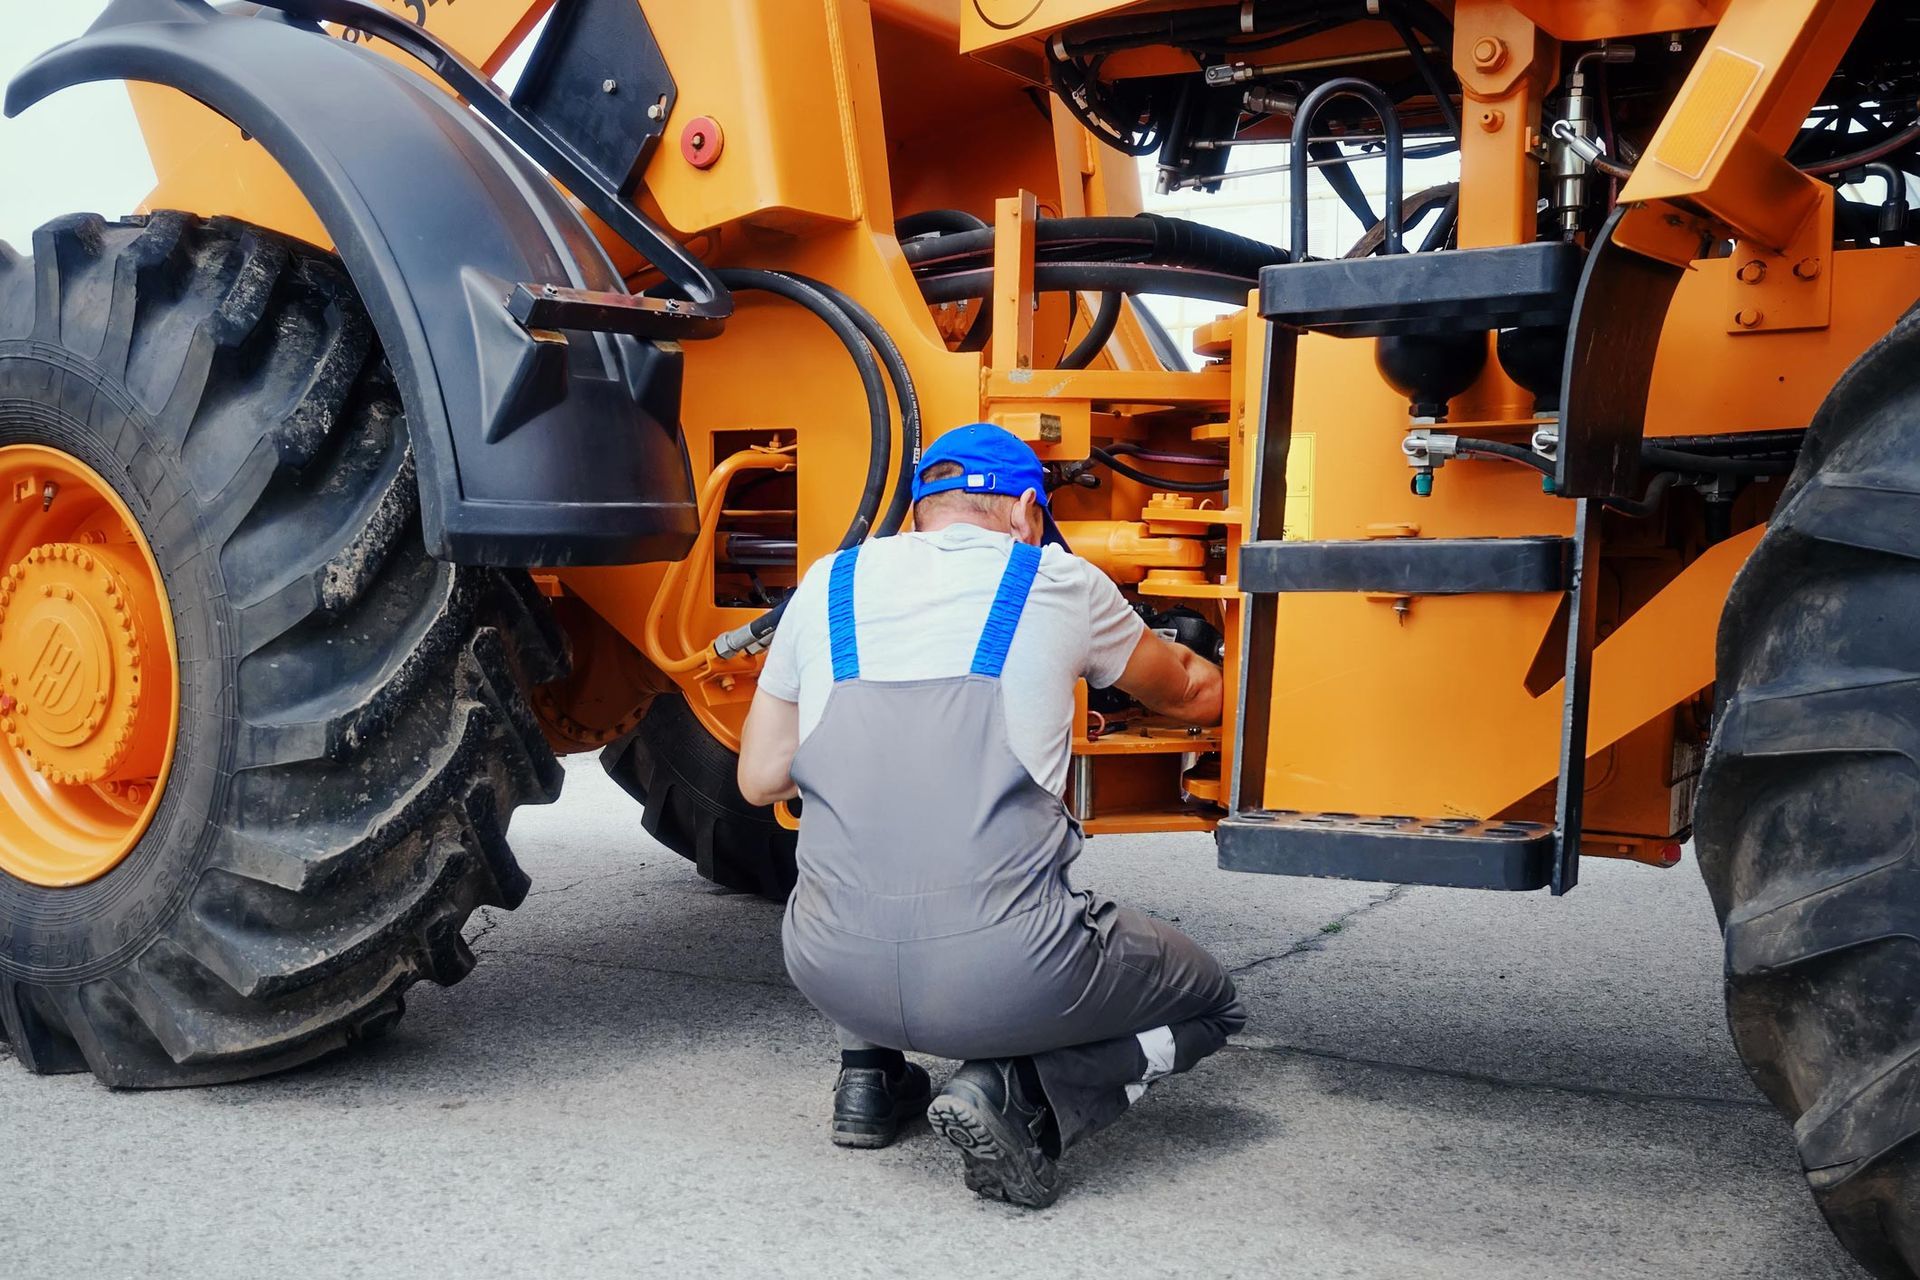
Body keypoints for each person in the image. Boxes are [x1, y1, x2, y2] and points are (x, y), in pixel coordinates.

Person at [736, 422, 1245, 1207]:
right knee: (1215, 1005)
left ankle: (867, 1081)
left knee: (885, 830)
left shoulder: (827, 583)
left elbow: (759, 777)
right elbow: (1190, 690)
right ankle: (1022, 1090)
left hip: (826, 970)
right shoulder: (1056, 581)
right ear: (1028, 515)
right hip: (1007, 978)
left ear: (918, 516)